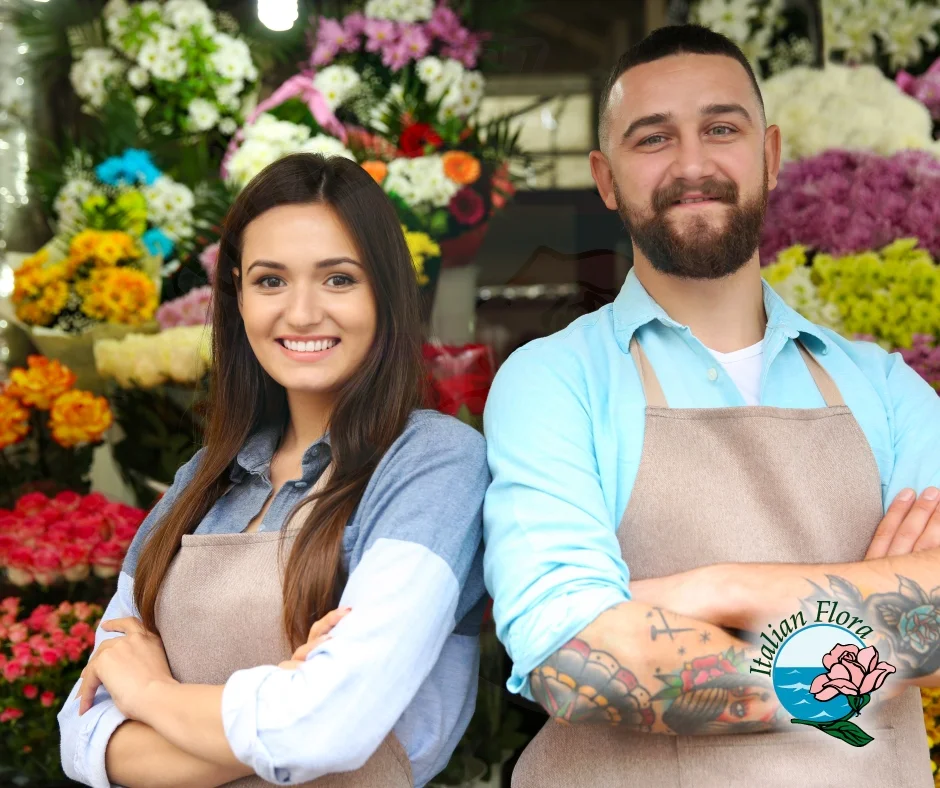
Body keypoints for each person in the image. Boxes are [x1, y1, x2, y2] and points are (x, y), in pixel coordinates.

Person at [482, 24, 940, 788]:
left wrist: (721, 588)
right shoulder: (552, 382)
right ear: (605, 177)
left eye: (721, 128)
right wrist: (870, 627)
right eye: (653, 138)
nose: (692, 165)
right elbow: (576, 660)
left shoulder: (885, 387)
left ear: (769, 154)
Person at [57, 153, 489, 788]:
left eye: (339, 279)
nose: (302, 312)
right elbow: (82, 736)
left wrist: (148, 695)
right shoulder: (203, 479)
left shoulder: (433, 463)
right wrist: (287, 702)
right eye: (270, 281)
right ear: (237, 298)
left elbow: (329, 729)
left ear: (387, 292)